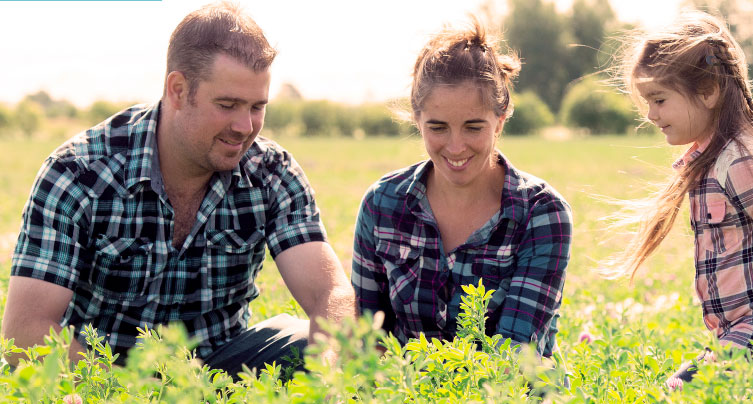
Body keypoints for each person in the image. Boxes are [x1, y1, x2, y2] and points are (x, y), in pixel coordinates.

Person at [1, 1, 355, 378]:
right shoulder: (79, 172)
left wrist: (328, 371)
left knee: (308, 341)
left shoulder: (272, 172)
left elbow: (330, 294)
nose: (244, 126)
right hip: (102, 374)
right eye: (228, 104)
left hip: (222, 369)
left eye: (256, 106)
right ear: (178, 90)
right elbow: (26, 331)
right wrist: (137, 394)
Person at [351, 19, 572, 359]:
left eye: (473, 127)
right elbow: (367, 335)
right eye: (437, 127)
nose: (455, 147)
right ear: (416, 119)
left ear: (500, 119)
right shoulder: (383, 204)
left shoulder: (541, 213)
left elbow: (513, 357)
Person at [610, 11, 753, 387]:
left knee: (684, 391)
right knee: (678, 389)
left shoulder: (739, 161)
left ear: (707, 92)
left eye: (659, 100)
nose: (650, 114)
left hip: (748, 333)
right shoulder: (709, 160)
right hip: (732, 334)